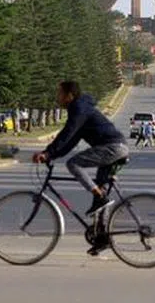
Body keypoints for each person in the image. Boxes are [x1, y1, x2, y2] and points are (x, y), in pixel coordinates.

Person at [33, 81, 130, 228]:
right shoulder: (81, 109)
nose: (57, 97)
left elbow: (67, 133)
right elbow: (71, 141)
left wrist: (48, 152)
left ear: (69, 96)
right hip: (117, 148)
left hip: (112, 147)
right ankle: (101, 234)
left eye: (60, 94)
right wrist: (51, 155)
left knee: (73, 164)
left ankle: (99, 195)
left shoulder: (79, 108)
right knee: (100, 197)